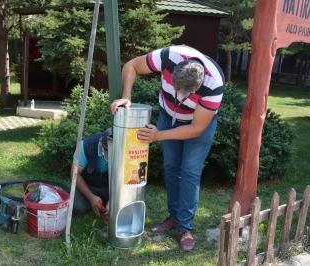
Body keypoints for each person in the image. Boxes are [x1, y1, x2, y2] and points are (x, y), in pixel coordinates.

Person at [110, 45, 225, 251]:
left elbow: (197, 128)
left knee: (190, 170)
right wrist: (127, 95)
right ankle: (173, 217)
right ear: (172, 72)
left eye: (186, 95)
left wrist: (159, 135)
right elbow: (132, 65)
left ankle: (185, 227)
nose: (179, 99)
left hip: (198, 124)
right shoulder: (168, 56)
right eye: (177, 90)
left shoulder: (214, 83)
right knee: (171, 166)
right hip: (167, 117)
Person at [70, 128, 111, 220]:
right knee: (78, 208)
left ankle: (106, 201)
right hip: (88, 185)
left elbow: (124, 179)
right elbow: (74, 174)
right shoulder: (85, 145)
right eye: (107, 151)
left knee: (122, 206)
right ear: (101, 142)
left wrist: (113, 199)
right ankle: (95, 200)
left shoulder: (125, 150)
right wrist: (91, 197)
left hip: (110, 187)